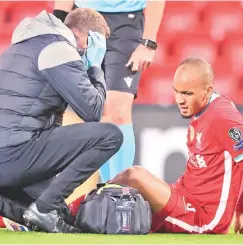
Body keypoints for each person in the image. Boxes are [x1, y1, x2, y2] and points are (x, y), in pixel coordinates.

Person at [68, 58, 243, 237]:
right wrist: (242, 210)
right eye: (176, 91)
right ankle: (69, 210)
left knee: (133, 178)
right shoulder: (206, 110)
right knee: (129, 196)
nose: (179, 99)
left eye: (187, 93)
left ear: (208, 90)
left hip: (203, 217)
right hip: (183, 196)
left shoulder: (224, 117)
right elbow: (238, 160)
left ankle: (68, 212)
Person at [0, 8, 123, 233]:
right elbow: (92, 111)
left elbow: (45, 122)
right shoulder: (60, 50)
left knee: (62, 216)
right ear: (88, 40)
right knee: (111, 135)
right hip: (12, 155)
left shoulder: (23, 46)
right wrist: (95, 67)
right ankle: (44, 208)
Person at [53, 0, 165, 184]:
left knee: (118, 110)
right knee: (100, 112)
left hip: (126, 24)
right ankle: (106, 188)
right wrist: (58, 25)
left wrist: (148, 42)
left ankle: (122, 190)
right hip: (83, 17)